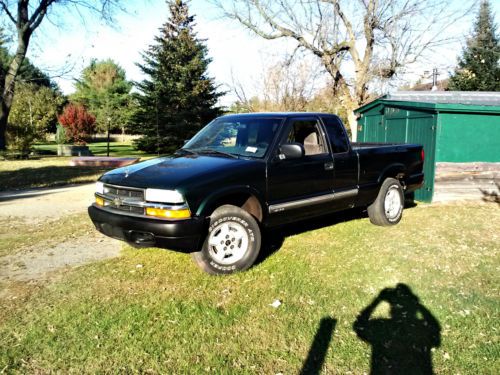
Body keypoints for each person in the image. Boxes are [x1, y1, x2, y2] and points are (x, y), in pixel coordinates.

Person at [353, 283, 441, 375]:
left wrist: (378, 300)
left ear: (391, 309)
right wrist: (418, 304)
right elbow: (434, 328)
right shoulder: (420, 328)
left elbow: (359, 325)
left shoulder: (381, 327)